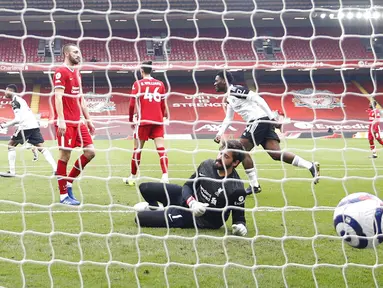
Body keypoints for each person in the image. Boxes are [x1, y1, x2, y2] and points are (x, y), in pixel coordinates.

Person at [214, 71, 320, 194]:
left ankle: (253, 186)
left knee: (240, 151)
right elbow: (229, 118)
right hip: (262, 122)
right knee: (275, 154)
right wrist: (220, 132)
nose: (214, 83)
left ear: (224, 81)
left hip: (258, 121)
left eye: (217, 80)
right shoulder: (229, 97)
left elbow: (257, 98)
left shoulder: (235, 90)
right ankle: (310, 166)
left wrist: (271, 118)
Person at [133, 140, 248, 237]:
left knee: (140, 218)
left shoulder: (236, 188)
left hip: (198, 219)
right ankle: (158, 209)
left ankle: (165, 211)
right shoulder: (207, 165)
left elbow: (239, 217)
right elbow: (188, 185)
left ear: (235, 162)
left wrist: (240, 227)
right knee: (145, 188)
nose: (219, 158)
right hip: (189, 201)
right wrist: (192, 202)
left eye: (225, 156)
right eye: (220, 153)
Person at [53, 43, 96, 205]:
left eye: (79, 52)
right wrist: (61, 119)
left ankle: (69, 182)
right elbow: (58, 97)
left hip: (78, 122)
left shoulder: (77, 72)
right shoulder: (60, 72)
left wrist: (88, 119)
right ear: (66, 54)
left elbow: (81, 98)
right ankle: (63, 195)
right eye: (75, 52)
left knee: (90, 152)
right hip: (66, 122)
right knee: (65, 156)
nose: (79, 55)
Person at [123, 60, 168, 185]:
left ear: (141, 71)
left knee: (137, 149)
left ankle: (132, 177)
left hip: (143, 121)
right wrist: (162, 116)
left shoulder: (138, 84)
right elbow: (163, 105)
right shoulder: (160, 84)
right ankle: (165, 176)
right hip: (158, 121)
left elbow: (132, 104)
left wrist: (131, 119)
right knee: (161, 149)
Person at [0, 84, 56, 177]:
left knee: (11, 145)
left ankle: (12, 172)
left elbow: (18, 119)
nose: (5, 92)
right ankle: (56, 169)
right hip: (33, 125)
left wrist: (5, 125)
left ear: (11, 91)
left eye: (7, 90)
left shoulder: (15, 102)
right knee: (41, 147)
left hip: (25, 127)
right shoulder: (21, 100)